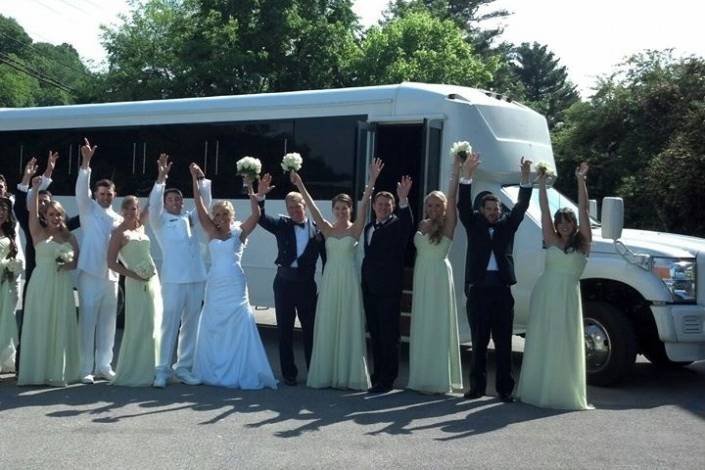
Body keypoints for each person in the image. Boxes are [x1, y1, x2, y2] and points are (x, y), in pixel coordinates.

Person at [290, 161, 382, 391]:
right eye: (337, 208)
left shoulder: (355, 228)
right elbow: (311, 208)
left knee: (348, 323)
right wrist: (300, 183)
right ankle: (327, 373)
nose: (341, 212)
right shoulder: (327, 228)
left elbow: (365, 204)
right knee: (330, 323)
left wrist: (371, 180)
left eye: (345, 208)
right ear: (333, 210)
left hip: (349, 280)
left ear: (349, 209)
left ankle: (348, 375)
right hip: (331, 280)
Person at [189, 163, 276, 390]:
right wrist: (194, 180)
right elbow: (199, 207)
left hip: (236, 285)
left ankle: (240, 368)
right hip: (216, 284)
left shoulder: (240, 231)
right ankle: (213, 368)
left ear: (231, 215)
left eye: (224, 214)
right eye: (217, 214)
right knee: (214, 324)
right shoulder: (210, 231)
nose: (220, 218)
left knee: (239, 324)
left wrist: (250, 189)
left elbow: (256, 214)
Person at [517, 162, 593, 410]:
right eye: (561, 222)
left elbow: (583, 209)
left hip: (568, 297)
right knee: (544, 339)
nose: (563, 225)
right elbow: (544, 210)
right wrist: (540, 182)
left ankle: (562, 389)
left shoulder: (584, 243)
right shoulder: (549, 238)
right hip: (546, 294)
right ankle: (538, 389)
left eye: (567, 222)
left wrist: (581, 181)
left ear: (574, 224)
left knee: (565, 341)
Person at [458, 153, 532, 402]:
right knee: (479, 343)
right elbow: (462, 205)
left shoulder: (507, 225)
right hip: (478, 290)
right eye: (488, 209)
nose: (492, 212)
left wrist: (524, 179)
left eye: (495, 208)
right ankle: (476, 388)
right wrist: (466, 176)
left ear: (500, 210)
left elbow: (521, 207)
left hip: (501, 291)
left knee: (503, 344)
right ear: (481, 211)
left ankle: (504, 390)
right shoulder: (472, 223)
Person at [256, 173, 325, 386]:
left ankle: (313, 371)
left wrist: (327, 285)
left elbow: (327, 260)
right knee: (284, 330)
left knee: (310, 329)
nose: (295, 211)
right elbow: (261, 218)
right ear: (287, 210)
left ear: (305, 206)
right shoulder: (282, 224)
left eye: (298, 207)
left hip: (306, 284)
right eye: (291, 208)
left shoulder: (318, 229)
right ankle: (289, 374)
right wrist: (260, 197)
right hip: (284, 283)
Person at [148, 154, 211, 388]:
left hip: (196, 278)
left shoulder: (189, 218)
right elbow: (153, 205)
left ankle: (183, 367)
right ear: (165, 203)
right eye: (171, 199)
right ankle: (162, 369)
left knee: (191, 324)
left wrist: (200, 178)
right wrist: (161, 179)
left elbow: (204, 202)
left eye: (178, 199)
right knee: (169, 323)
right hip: (173, 280)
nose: (176, 202)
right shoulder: (160, 221)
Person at [13, 154, 80, 373]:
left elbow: (77, 224)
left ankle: (54, 365)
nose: (43, 205)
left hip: (59, 279)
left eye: (47, 202)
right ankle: (25, 364)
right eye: (40, 201)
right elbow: (27, 206)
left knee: (56, 323)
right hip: (37, 276)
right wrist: (35, 178)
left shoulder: (62, 228)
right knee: (34, 323)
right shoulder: (31, 222)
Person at [407, 156, 464, 394]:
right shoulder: (420, 225)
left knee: (438, 324)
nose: (433, 209)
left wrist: (456, 172)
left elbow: (453, 198)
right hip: (422, 276)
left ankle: (440, 378)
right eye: (429, 205)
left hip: (440, 276)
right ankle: (420, 377)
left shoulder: (448, 224)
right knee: (422, 323)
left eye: (437, 205)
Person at [75, 138, 123, 384]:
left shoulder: (117, 217)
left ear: (114, 195)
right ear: (95, 194)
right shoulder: (88, 209)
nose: (106, 197)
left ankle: (104, 365)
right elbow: (81, 191)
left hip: (111, 276)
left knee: (108, 323)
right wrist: (86, 163)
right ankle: (85, 368)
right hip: (90, 274)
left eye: (109, 194)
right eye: (102, 193)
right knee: (88, 322)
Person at [361, 172, 414, 394]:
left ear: (392, 206)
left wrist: (404, 200)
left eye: (387, 204)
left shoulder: (397, 226)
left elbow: (408, 224)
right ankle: (377, 375)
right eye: (379, 204)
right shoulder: (369, 227)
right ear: (374, 206)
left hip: (389, 290)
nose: (383, 207)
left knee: (389, 335)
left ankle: (387, 379)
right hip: (370, 289)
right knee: (374, 333)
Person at [107, 196, 163, 387]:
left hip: (152, 280)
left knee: (153, 322)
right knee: (138, 324)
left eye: (135, 209)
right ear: (122, 211)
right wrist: (133, 274)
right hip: (134, 281)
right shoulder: (118, 233)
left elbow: (152, 202)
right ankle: (136, 370)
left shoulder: (141, 228)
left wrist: (161, 179)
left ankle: (154, 367)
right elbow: (111, 263)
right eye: (128, 209)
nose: (132, 212)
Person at [0, 197, 23, 373]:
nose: (1, 213)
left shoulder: (10, 234)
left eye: (4, 211)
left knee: (4, 322)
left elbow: (13, 258)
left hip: (4, 286)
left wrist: (11, 268)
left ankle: (5, 359)